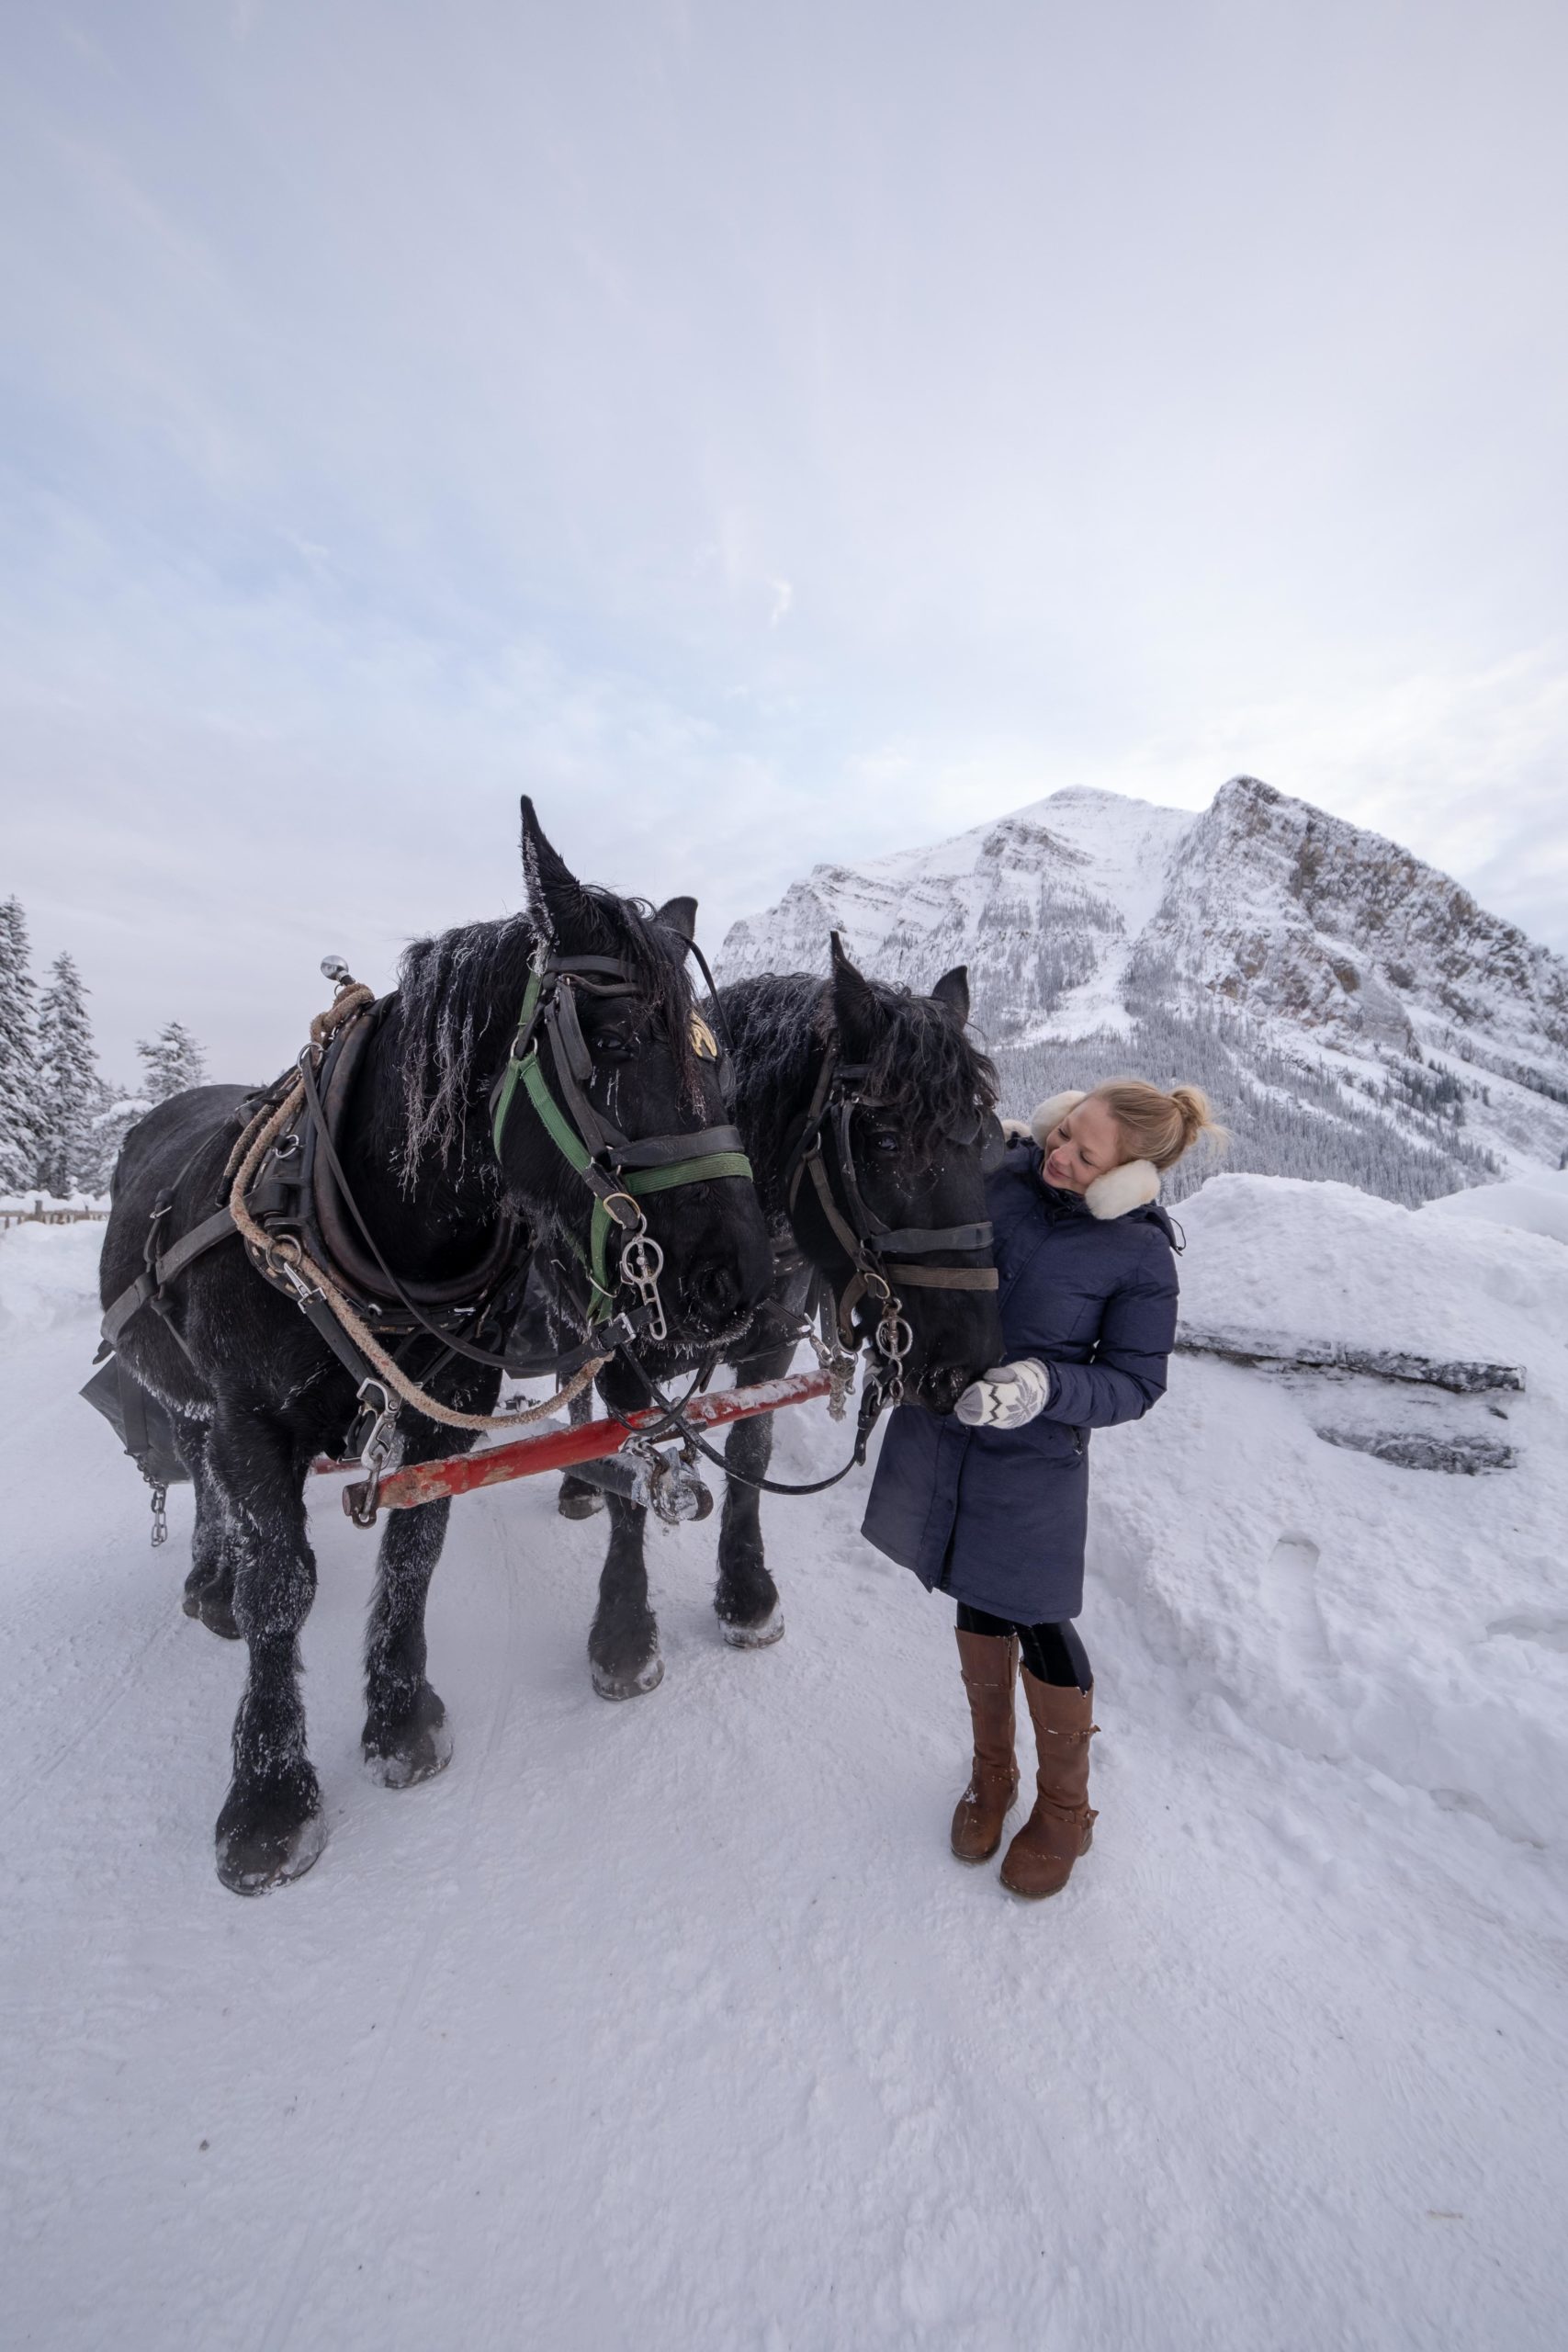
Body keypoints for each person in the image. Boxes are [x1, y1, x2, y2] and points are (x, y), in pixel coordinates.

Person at [860, 1080, 1224, 1899]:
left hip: (1030, 1457)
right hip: (943, 1421)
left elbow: (1133, 1383)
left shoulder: (1137, 1256)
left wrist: (1040, 1386)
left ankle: (1066, 1809)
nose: (1058, 1155)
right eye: (1064, 1133)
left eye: (1083, 1155)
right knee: (975, 1594)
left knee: (1037, 1613)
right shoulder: (1003, 1174)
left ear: (1125, 1177)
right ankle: (993, 1774)